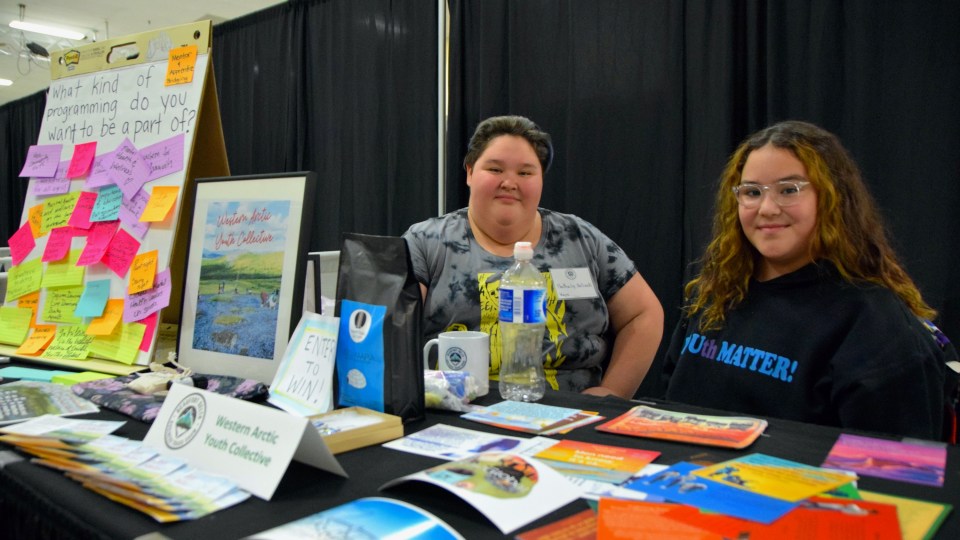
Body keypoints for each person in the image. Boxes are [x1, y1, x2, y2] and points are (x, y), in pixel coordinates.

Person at [662, 120, 955, 440]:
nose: (767, 208)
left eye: (789, 190)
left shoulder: (876, 327)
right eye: (752, 192)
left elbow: (896, 477)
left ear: (832, 199)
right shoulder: (715, 295)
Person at [403, 115, 664, 399]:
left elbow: (644, 314)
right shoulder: (426, 243)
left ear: (541, 180)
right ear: (469, 172)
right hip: (458, 409)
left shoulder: (581, 239)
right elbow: (393, 329)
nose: (509, 182)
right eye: (494, 168)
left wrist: (613, 393)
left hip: (573, 413)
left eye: (525, 173)